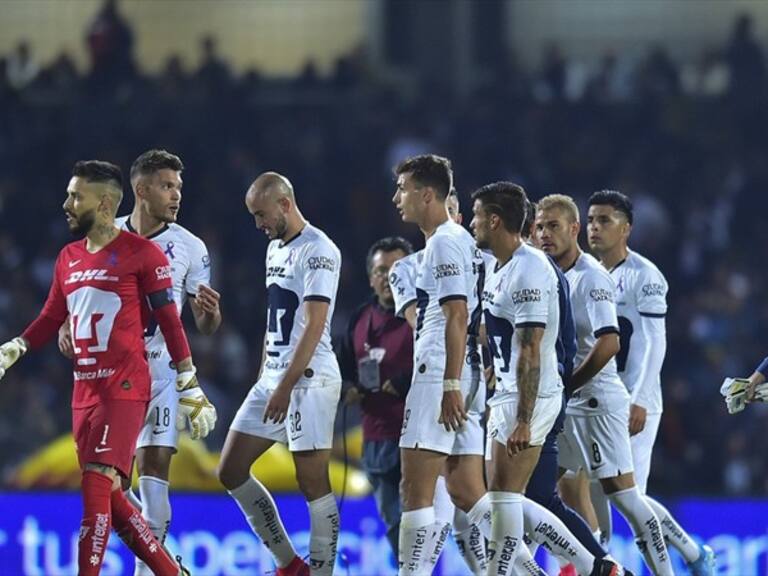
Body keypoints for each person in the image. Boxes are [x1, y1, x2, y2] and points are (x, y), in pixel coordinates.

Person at [0, 160, 216, 575]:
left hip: (127, 385)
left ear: (102, 204)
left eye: (74, 196)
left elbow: (170, 321)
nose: (66, 203)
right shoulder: (68, 257)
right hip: (84, 390)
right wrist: (16, 347)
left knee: (96, 486)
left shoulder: (144, 254)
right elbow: (51, 316)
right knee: (114, 499)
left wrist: (189, 384)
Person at [472, 183, 627, 576]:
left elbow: (531, 347)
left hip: (534, 397)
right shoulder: (499, 265)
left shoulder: (531, 269)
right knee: (525, 499)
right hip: (509, 393)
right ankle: (598, 567)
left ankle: (588, 566)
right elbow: (500, 331)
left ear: (494, 219)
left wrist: (524, 418)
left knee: (507, 501)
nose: (471, 223)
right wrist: (491, 364)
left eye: (476, 216)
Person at [534, 194, 673, 575]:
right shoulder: (544, 273)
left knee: (626, 497)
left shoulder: (593, 276)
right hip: (565, 403)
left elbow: (610, 342)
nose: (545, 235)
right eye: (540, 227)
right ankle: (589, 566)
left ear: (573, 229)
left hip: (598, 401)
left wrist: (569, 384)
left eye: (554, 227)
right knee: (539, 493)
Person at [217, 172, 342, 576]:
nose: (259, 225)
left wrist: (285, 386)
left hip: (309, 380)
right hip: (272, 377)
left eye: (262, 214)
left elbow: (314, 324)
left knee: (312, 482)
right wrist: (265, 378)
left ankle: (321, 571)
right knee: (230, 469)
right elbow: (277, 320)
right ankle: (289, 565)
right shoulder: (274, 249)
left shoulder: (319, 250)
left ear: (285, 203)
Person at [588, 190, 715, 575]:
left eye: (604, 220)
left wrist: (638, 398)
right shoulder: (584, 273)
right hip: (593, 402)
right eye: (591, 220)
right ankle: (691, 555)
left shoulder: (645, 276)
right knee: (604, 492)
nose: (594, 227)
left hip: (633, 401)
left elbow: (652, 342)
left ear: (626, 228)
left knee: (628, 497)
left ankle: (689, 558)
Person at [392, 154, 492, 576]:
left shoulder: (446, 241)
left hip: (440, 375)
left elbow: (457, 314)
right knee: (467, 490)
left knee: (415, 489)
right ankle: (528, 567)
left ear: (427, 194)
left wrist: (450, 383)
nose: (397, 198)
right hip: (461, 373)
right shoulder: (459, 242)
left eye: (403, 189)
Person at [339, 236, 414, 558]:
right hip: (377, 438)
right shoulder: (359, 319)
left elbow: (444, 362)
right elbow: (340, 368)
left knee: (428, 520)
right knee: (395, 522)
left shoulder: (424, 315)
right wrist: (347, 389)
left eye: (397, 269)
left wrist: (406, 381)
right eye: (381, 270)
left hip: (421, 437)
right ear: (371, 277)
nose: (388, 277)